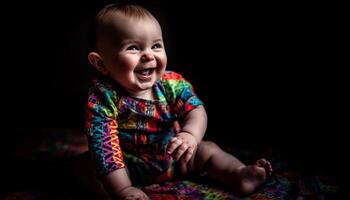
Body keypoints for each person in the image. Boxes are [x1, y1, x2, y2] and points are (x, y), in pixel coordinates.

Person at [79, 3, 273, 200]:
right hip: (127, 167)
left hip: (175, 158)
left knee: (208, 149)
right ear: (101, 63)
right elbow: (104, 146)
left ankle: (239, 174)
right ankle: (123, 192)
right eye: (133, 48)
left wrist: (190, 135)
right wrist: (122, 188)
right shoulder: (103, 96)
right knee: (91, 165)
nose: (148, 55)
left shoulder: (170, 84)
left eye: (156, 45)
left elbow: (195, 110)